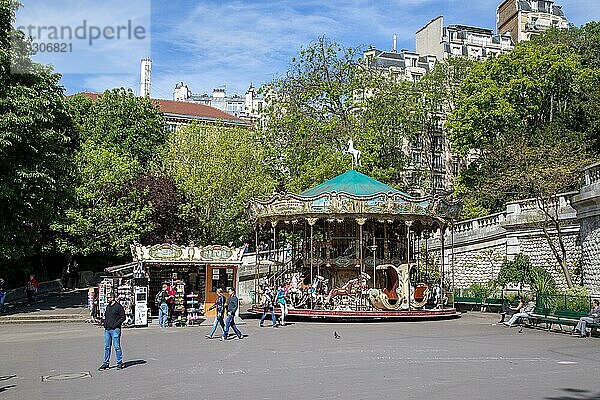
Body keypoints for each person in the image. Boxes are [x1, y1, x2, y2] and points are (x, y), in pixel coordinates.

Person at [98, 292, 125, 370]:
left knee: (117, 347)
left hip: (115, 330)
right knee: (107, 347)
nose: (107, 299)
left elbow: (123, 317)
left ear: (113, 298)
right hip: (107, 330)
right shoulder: (108, 307)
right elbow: (107, 316)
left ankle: (119, 362)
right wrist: (104, 324)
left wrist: (115, 325)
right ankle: (106, 363)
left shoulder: (118, 307)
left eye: (108, 297)